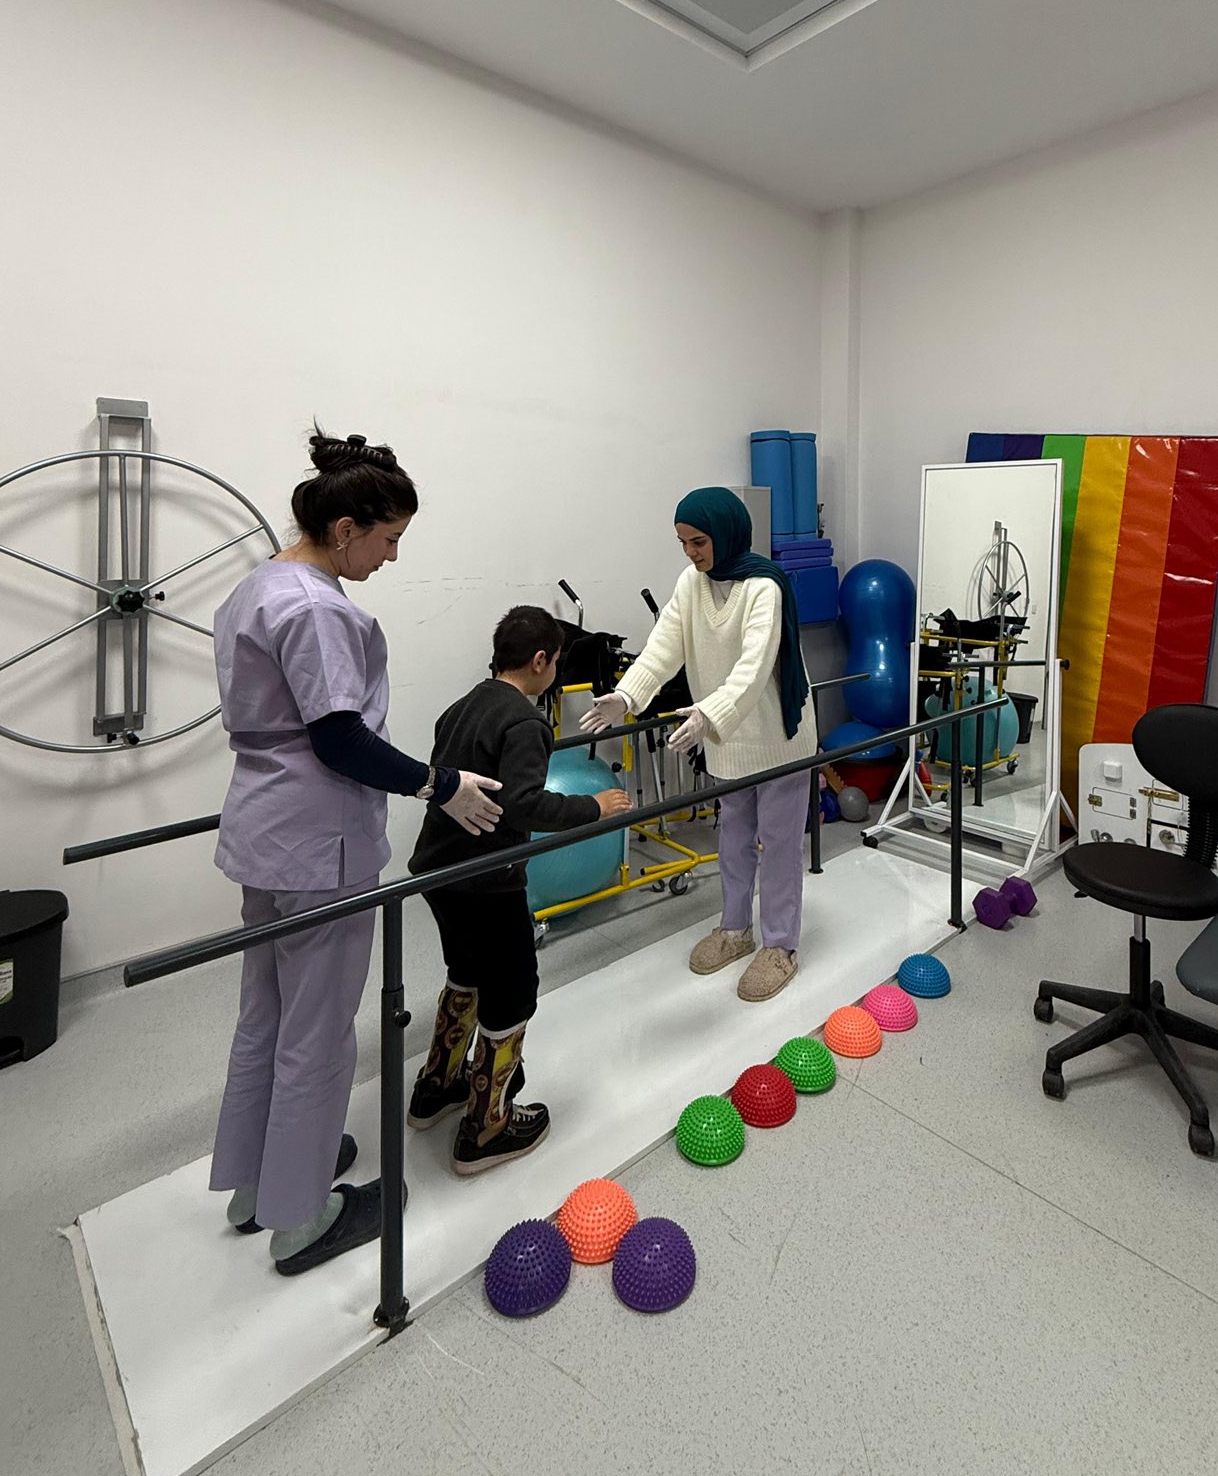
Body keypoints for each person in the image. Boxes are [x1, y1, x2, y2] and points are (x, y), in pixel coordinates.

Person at [208, 430, 502, 1277]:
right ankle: (301, 1217)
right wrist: (440, 784)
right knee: (318, 1031)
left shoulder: (258, 586)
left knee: (266, 1013)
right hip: (319, 842)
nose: (393, 556)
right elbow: (340, 739)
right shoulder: (317, 608)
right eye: (388, 539)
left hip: (264, 831)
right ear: (345, 530)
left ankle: (257, 1183)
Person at [407, 606, 633, 1173]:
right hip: (489, 879)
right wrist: (594, 807)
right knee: (512, 990)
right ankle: (486, 1127)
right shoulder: (526, 722)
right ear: (540, 661)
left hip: (439, 872)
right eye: (556, 661)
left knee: (466, 972)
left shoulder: (460, 708)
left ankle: (438, 1086)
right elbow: (524, 804)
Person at [582, 488, 816, 1002]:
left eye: (699, 542)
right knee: (733, 838)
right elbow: (664, 647)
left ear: (726, 534)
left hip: (778, 739)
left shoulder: (764, 588)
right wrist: (627, 696)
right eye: (683, 543)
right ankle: (735, 928)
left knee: (778, 844)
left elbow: (754, 669)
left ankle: (780, 945)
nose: (690, 553)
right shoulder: (692, 584)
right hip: (727, 739)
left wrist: (709, 713)